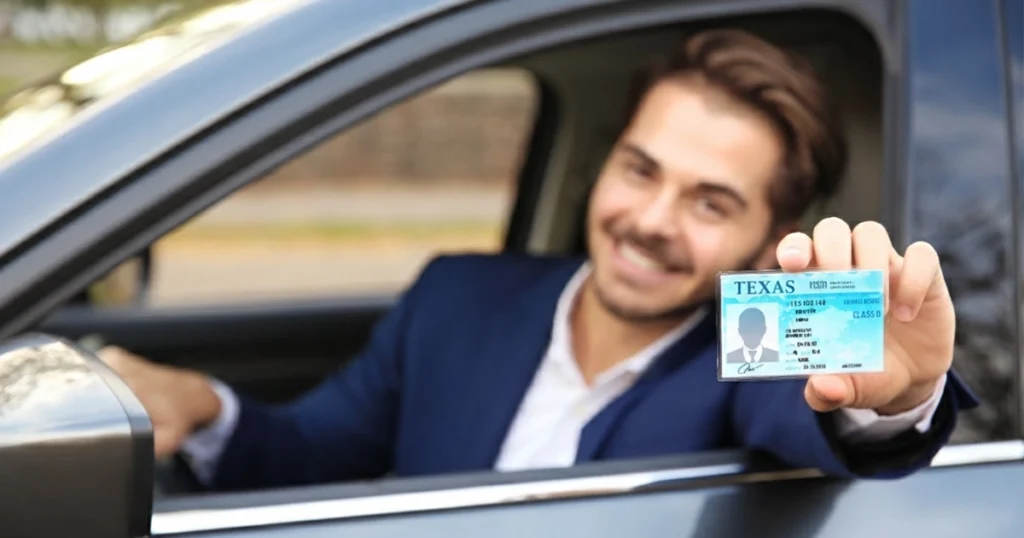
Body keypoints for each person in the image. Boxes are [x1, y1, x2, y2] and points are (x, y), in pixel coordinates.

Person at [100, 28, 979, 491]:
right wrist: (203, 404)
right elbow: (307, 454)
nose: (651, 221)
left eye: (712, 202)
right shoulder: (457, 297)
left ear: (765, 235)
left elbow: (834, 413)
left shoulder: (762, 333)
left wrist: (900, 397)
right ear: (607, 161)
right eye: (640, 170)